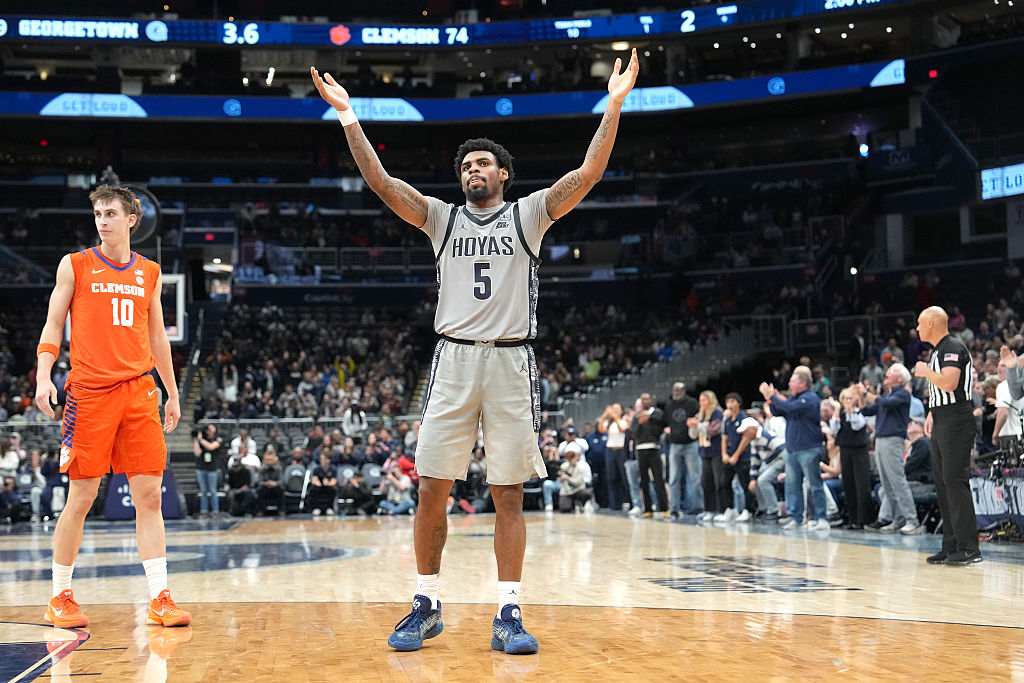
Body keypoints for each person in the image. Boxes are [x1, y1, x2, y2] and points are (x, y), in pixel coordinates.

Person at [312, 48, 640, 655]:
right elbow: (382, 183)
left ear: (503, 176)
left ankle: (508, 613)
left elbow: (588, 172)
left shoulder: (530, 214)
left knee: (507, 493)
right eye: (466, 165)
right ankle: (425, 602)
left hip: (512, 360)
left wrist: (614, 103)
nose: (473, 171)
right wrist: (349, 118)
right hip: (454, 359)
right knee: (431, 488)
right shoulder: (440, 219)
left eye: (483, 164)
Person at [32, 184, 190, 628]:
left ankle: (161, 596)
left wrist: (172, 392)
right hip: (89, 394)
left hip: (140, 392)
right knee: (80, 498)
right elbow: (52, 322)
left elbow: (158, 337)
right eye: (98, 214)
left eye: (110, 214)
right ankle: (60, 595)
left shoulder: (150, 272)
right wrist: (44, 376)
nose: (102, 221)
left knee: (149, 498)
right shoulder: (76, 265)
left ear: (131, 219)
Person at [914, 306, 982, 565]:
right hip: (943, 416)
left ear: (932, 324)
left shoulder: (952, 346)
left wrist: (925, 371)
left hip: (957, 419)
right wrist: (932, 412)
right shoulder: (938, 350)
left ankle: (969, 549)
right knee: (942, 484)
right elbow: (941, 391)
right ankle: (951, 545)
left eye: (920, 323)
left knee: (955, 481)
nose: (918, 328)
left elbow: (950, 383)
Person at [759, 368, 830, 531]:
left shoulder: (810, 398)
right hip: (793, 449)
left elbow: (790, 408)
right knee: (792, 485)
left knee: (814, 484)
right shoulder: (794, 398)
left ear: (803, 383)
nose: (790, 383)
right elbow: (779, 411)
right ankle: (796, 517)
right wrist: (771, 399)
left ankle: (822, 518)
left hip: (809, 448)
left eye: (793, 380)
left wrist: (772, 397)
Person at [860, 363, 920, 534]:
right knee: (887, 484)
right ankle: (898, 519)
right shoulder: (887, 396)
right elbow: (868, 411)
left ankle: (912, 520)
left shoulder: (902, 394)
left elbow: (884, 404)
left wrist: (867, 394)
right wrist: (860, 398)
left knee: (898, 482)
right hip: (880, 440)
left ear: (900, 379)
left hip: (893, 440)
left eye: (892, 371)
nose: (887, 373)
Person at [834, 387, 872, 529]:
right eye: (846, 399)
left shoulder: (860, 412)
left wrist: (852, 411)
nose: (848, 402)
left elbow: (857, 426)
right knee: (848, 484)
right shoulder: (841, 414)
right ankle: (853, 519)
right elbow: (834, 430)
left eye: (850, 399)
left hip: (859, 451)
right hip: (845, 449)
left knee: (862, 485)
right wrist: (838, 413)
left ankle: (864, 519)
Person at [715, 393, 757, 523]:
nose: (730, 405)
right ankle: (730, 509)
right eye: (728, 402)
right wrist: (724, 454)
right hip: (729, 457)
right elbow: (724, 438)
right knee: (724, 483)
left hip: (742, 457)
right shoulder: (727, 421)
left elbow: (746, 439)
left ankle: (748, 510)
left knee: (745, 485)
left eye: (733, 402)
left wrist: (736, 455)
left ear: (738, 403)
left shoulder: (744, 419)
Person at [664, 381, 701, 517]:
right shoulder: (669, 405)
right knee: (673, 478)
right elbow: (665, 421)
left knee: (694, 478)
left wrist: (696, 422)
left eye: (678, 390)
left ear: (684, 390)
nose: (676, 393)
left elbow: (700, 417)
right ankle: (674, 508)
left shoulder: (692, 403)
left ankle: (697, 507)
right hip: (675, 445)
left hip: (691, 444)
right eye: (674, 390)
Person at [631, 393, 668, 518]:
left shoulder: (657, 413)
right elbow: (634, 434)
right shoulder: (637, 416)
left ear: (651, 400)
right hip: (640, 449)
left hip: (654, 448)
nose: (645, 401)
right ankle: (647, 509)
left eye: (647, 399)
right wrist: (641, 423)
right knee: (644, 481)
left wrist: (649, 419)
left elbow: (661, 428)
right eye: (643, 400)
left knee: (658, 479)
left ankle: (665, 509)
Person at [694, 390, 724, 522]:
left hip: (716, 451)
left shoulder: (717, 412)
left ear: (711, 400)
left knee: (719, 481)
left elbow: (714, 430)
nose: (701, 403)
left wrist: (698, 426)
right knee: (706, 482)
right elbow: (693, 434)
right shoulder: (700, 414)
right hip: (704, 452)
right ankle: (709, 510)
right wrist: (692, 427)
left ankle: (722, 509)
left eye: (704, 400)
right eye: (700, 401)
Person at [597, 403, 630, 512]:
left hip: (620, 450)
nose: (614, 411)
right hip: (610, 450)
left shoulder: (623, 421)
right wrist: (604, 415)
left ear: (621, 411)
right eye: (613, 409)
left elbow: (622, 429)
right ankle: (613, 504)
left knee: (623, 477)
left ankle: (627, 502)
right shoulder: (610, 422)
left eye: (617, 409)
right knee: (611, 478)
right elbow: (601, 429)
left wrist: (614, 416)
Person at [193, 424, 224, 518]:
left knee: (212, 490)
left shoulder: (218, 438)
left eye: (210, 428)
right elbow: (197, 453)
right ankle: (204, 511)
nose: (208, 431)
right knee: (203, 491)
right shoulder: (202, 439)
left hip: (212, 469)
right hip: (201, 468)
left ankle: (215, 510)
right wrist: (196, 439)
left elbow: (211, 447)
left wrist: (201, 440)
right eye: (207, 429)